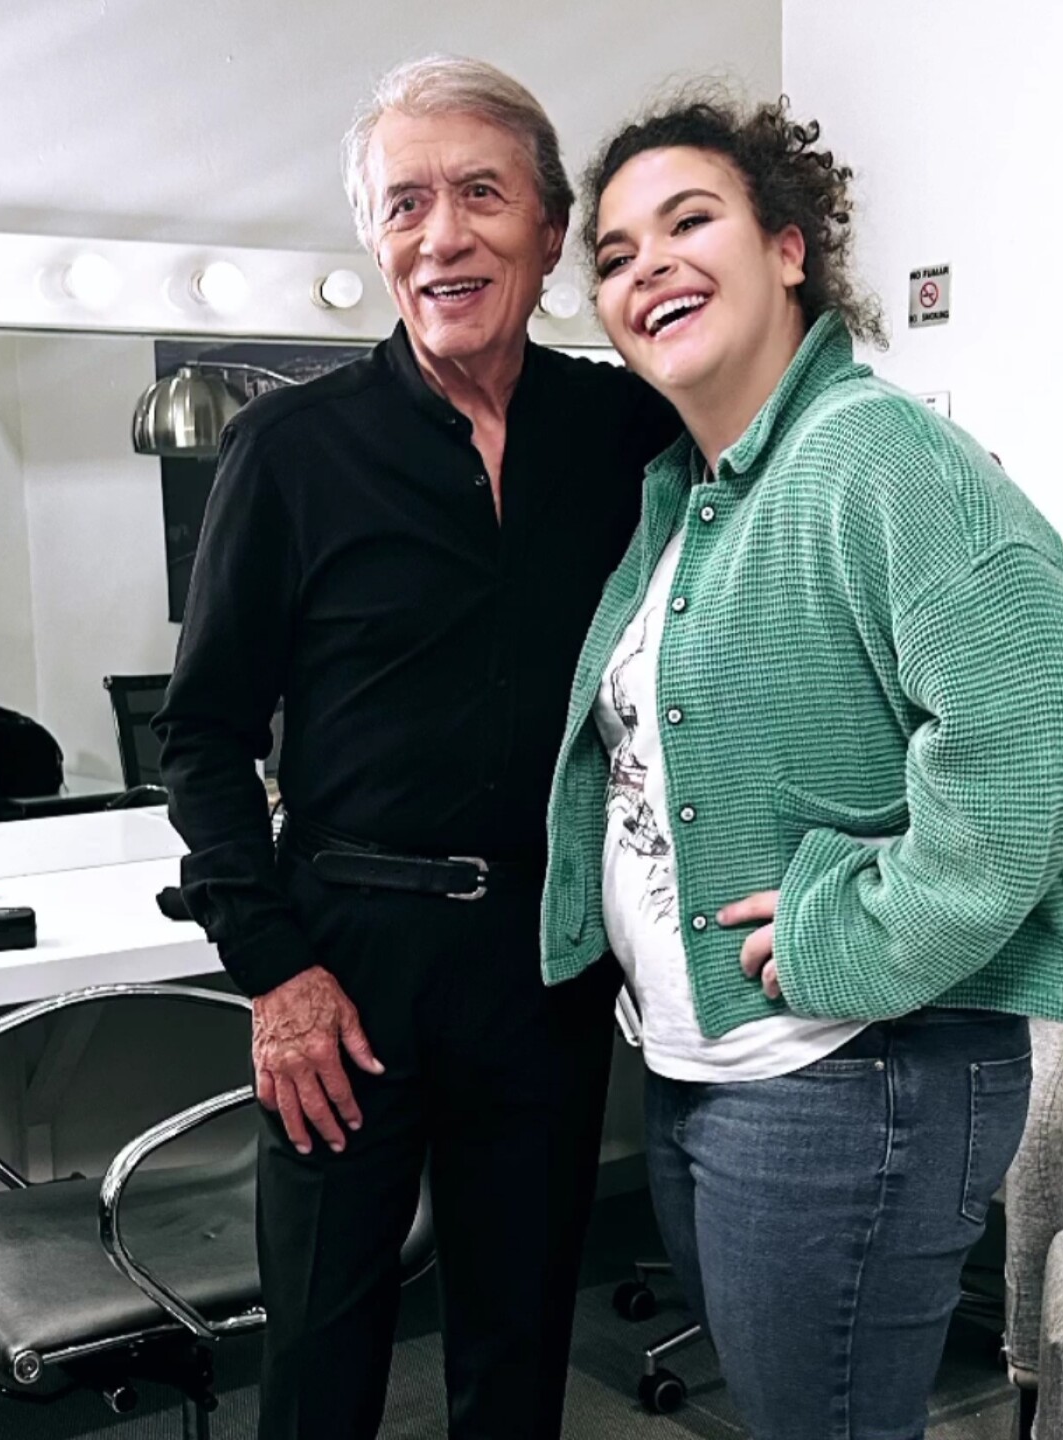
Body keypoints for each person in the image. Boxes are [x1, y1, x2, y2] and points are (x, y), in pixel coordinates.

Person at [539, 92, 1063, 1440]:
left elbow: (1042, 709)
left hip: (852, 1069)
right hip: (723, 1070)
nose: (648, 269)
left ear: (788, 247)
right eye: (618, 255)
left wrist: (851, 936)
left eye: (688, 221)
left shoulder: (871, 453)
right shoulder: (691, 502)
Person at [154, 56, 677, 1440]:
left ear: (552, 232)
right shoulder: (287, 448)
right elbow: (200, 735)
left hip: (544, 962)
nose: (439, 235)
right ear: (377, 242)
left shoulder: (627, 435)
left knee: (519, 1350)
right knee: (322, 1361)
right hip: (346, 962)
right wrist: (273, 972)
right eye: (403, 206)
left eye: (479, 195)